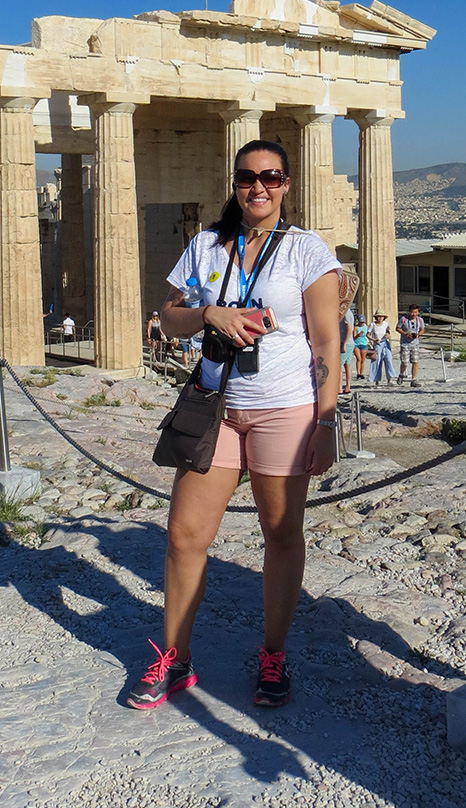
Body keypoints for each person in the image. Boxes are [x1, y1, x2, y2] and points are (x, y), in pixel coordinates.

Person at [127, 140, 340, 712]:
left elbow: (326, 344)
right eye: (248, 177)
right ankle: (175, 656)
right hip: (216, 405)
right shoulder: (206, 245)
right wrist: (208, 313)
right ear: (235, 184)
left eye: (271, 177)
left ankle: (273, 652)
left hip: (284, 409)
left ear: (287, 184)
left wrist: (325, 424)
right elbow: (169, 320)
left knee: (279, 533)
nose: (258, 187)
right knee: (184, 535)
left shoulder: (306, 251)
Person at [396, 304, 425, 387]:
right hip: (405, 343)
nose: (414, 314)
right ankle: (401, 374)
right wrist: (405, 334)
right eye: (412, 312)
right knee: (405, 362)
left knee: (415, 361)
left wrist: (418, 334)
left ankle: (414, 379)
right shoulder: (403, 319)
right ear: (409, 312)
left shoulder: (420, 320)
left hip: (415, 343)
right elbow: (397, 328)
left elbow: (422, 329)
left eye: (415, 312)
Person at [367, 312, 396, 386]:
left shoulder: (386, 324)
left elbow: (387, 331)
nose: (380, 318)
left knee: (388, 360)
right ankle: (376, 380)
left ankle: (390, 379)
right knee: (377, 362)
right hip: (377, 344)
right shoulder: (372, 325)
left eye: (382, 316)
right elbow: (368, 334)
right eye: (379, 316)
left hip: (385, 344)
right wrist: (373, 339)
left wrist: (388, 335)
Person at [339, 307, 354, 394]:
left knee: (338, 366)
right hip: (348, 342)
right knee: (347, 365)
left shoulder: (346, 313)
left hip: (345, 342)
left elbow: (349, 329)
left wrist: (344, 343)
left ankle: (339, 388)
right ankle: (347, 387)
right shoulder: (346, 312)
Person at [353, 313, 369, 379]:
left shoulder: (366, 326)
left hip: (364, 344)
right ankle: (358, 373)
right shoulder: (356, 328)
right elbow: (353, 337)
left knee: (362, 359)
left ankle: (361, 373)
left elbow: (368, 334)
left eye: (363, 322)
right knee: (358, 359)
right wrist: (358, 335)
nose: (362, 323)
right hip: (356, 344)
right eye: (361, 322)